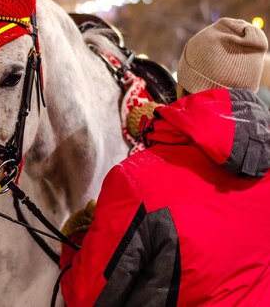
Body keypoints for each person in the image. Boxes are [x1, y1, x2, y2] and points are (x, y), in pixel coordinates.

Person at [58, 18, 270, 306]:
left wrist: (78, 240)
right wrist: (157, 123)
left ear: (184, 84)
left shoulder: (136, 182)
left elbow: (84, 297)